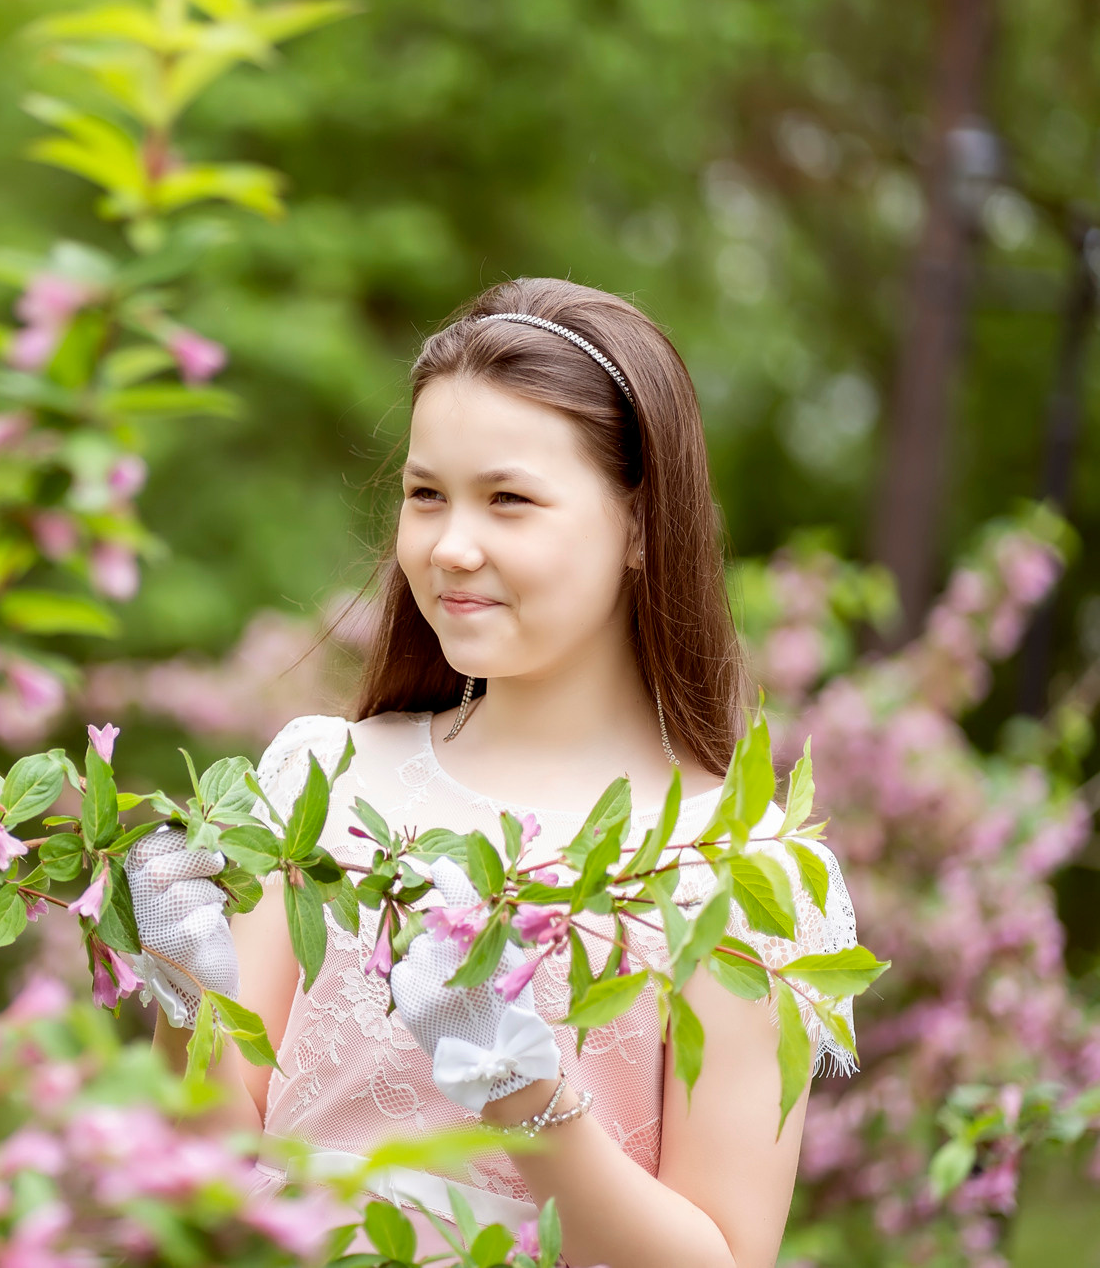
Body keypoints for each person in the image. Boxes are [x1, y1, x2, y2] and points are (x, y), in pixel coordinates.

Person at [123, 279, 859, 1268]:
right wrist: (185, 1000)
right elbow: (209, 1183)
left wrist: (526, 1099)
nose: (450, 546)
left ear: (640, 524)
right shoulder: (320, 779)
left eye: (506, 499)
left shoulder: (738, 870)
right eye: (425, 494)